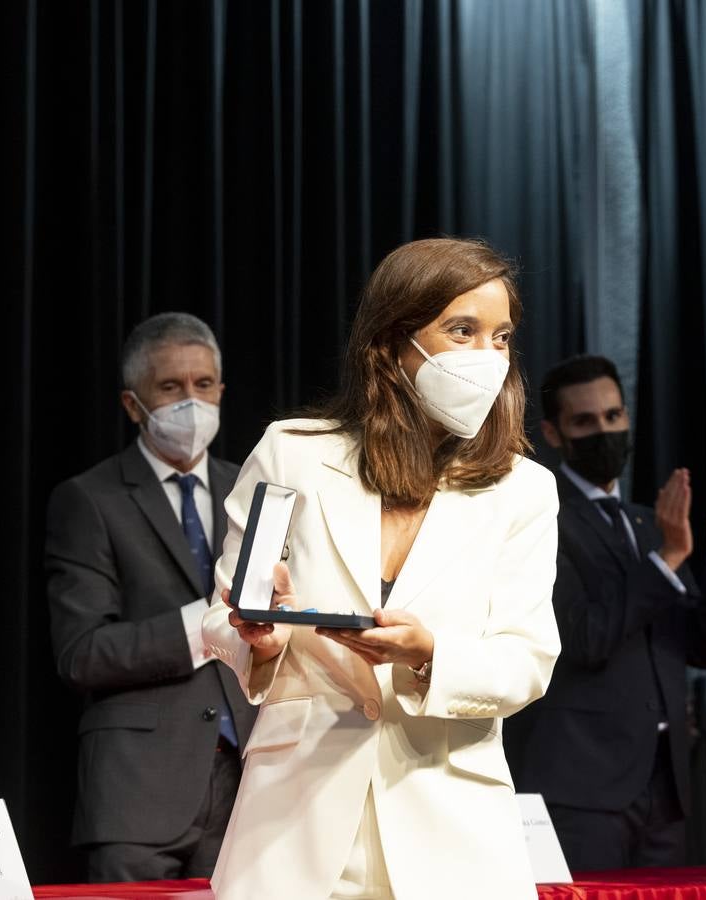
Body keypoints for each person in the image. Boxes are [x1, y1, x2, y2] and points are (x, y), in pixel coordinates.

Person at [200, 238, 560, 899]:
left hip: (453, 833)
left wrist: (429, 655)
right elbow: (224, 613)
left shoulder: (522, 488)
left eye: (501, 337)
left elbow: (527, 659)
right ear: (394, 341)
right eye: (462, 331)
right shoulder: (291, 454)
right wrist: (261, 642)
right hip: (293, 829)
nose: (487, 356)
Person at [502, 354, 706, 871]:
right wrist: (668, 557)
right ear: (554, 434)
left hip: (666, 788)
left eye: (612, 416)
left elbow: (704, 648)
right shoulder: (542, 517)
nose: (604, 430)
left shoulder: (649, 524)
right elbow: (584, 639)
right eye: (585, 422)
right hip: (582, 786)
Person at [45, 312, 256, 882]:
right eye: (170, 387)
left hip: (251, 789)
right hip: (137, 795)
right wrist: (208, 623)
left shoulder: (249, 490)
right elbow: (82, 653)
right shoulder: (88, 500)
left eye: (204, 385)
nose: (192, 401)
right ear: (133, 403)